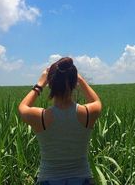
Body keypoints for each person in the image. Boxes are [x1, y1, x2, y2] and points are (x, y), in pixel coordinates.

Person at [18, 57, 102, 185]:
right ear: (75, 84)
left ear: (50, 84)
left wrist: (40, 84)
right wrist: (80, 79)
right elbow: (97, 102)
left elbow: (22, 107)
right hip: (82, 180)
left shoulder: (40, 117)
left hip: (49, 180)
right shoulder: (88, 113)